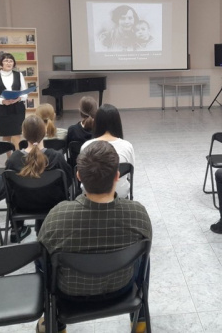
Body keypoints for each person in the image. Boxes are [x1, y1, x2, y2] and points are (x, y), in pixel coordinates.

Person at [37, 140, 152, 333]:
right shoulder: (137, 214)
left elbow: (42, 257)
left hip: (69, 294)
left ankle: (54, 321)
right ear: (117, 176)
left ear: (78, 176)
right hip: (122, 287)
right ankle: (140, 318)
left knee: (42, 257)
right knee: (144, 255)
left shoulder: (58, 216)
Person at [5, 115, 72, 241]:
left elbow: (9, 187)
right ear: (45, 132)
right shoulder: (56, 157)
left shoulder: (13, 160)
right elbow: (68, 181)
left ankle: (17, 229)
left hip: (22, 205)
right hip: (53, 203)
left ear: (23, 134)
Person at [81, 104, 135, 199]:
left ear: (96, 123)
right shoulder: (127, 146)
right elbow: (130, 174)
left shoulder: (86, 146)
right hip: (120, 194)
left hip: (90, 194)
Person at [0, 52, 27, 151]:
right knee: (6, 135)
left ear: (14, 63)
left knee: (17, 134)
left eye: (11, 61)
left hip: (17, 109)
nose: (9, 63)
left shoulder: (19, 75)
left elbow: (24, 93)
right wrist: (3, 101)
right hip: (2, 109)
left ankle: (17, 156)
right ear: (1, 63)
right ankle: (9, 157)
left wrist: (19, 98)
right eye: (6, 61)